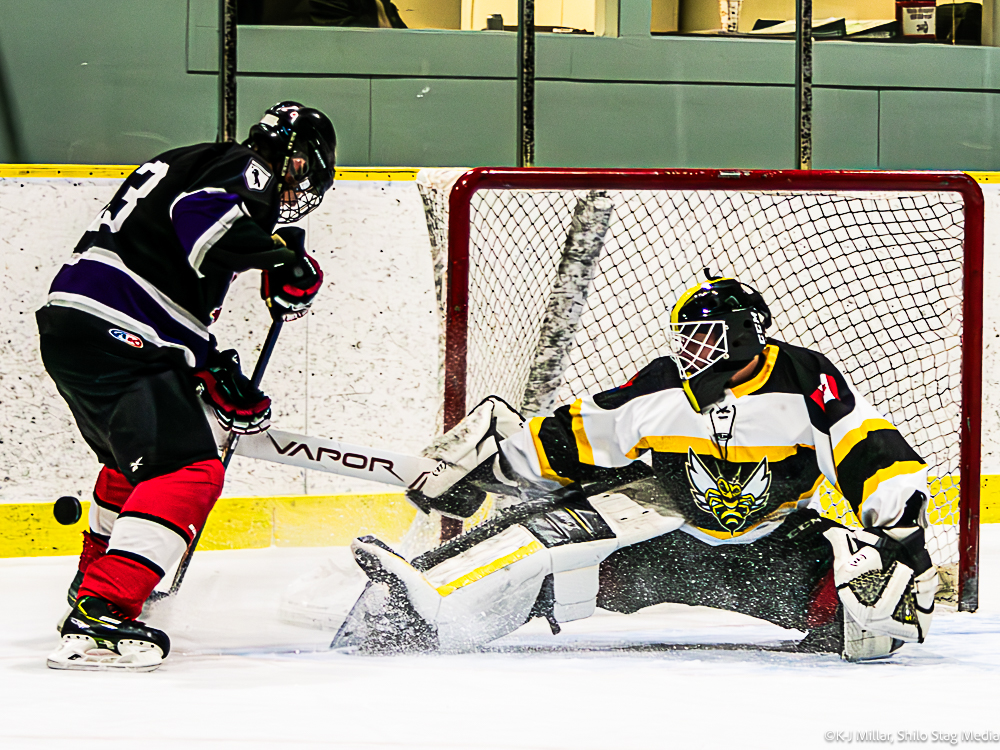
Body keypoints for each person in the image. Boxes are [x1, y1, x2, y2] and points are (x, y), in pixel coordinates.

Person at [332, 275, 939, 661]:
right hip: (667, 543)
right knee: (547, 539)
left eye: (702, 337)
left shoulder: (806, 381)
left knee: (873, 623)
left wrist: (903, 531)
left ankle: (837, 617)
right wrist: (493, 469)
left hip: (771, 550)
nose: (687, 349)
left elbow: (869, 447)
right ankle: (425, 606)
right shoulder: (663, 384)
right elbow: (579, 432)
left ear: (742, 338)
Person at [40, 101, 336, 671]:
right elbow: (202, 222)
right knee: (189, 471)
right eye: (303, 175)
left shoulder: (196, 160)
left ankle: (93, 587)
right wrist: (281, 257)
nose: (296, 192)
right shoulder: (245, 167)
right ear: (295, 161)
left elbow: (166, 290)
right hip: (115, 325)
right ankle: (102, 613)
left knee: (136, 469)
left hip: (82, 325)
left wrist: (209, 368)